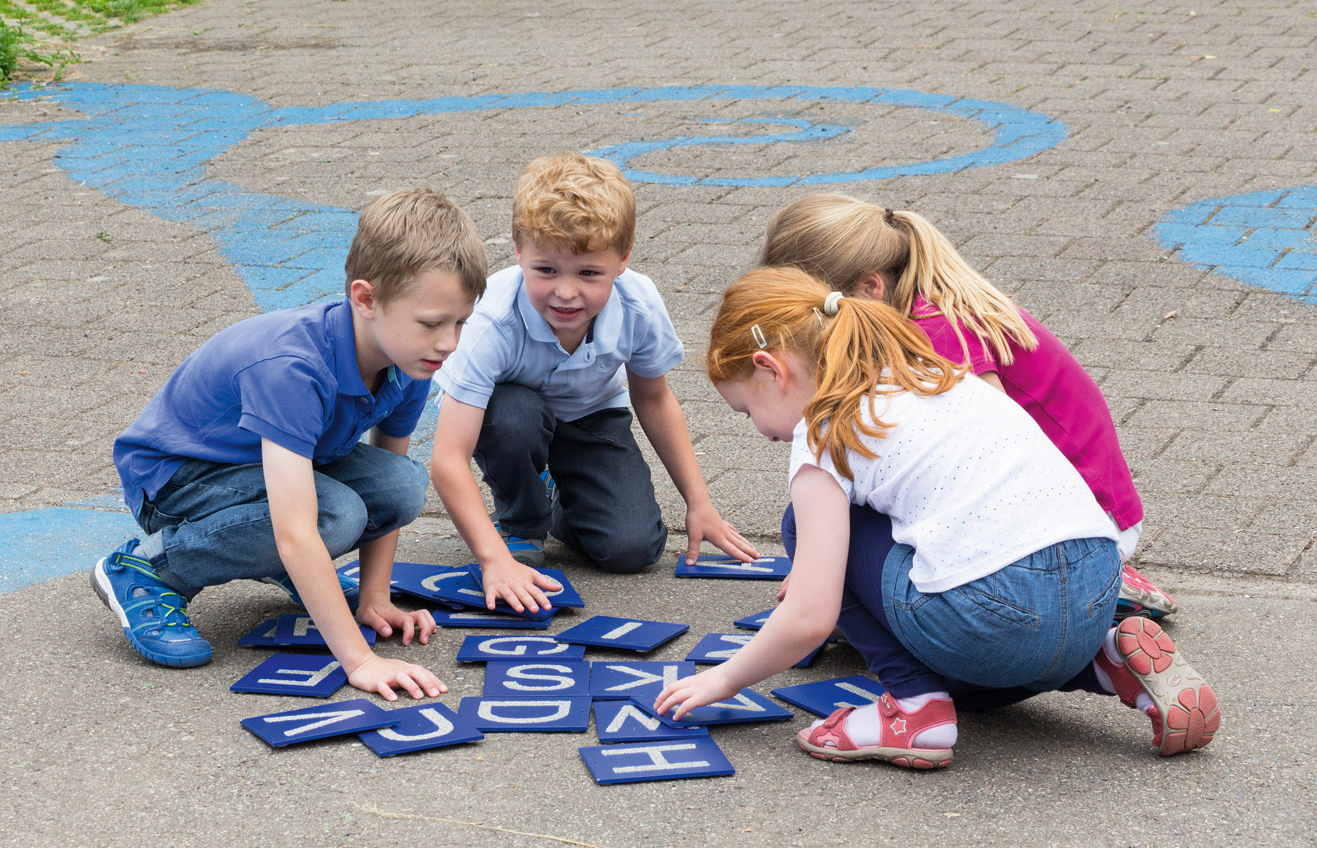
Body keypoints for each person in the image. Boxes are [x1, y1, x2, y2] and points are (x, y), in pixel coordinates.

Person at [654, 267, 1219, 768]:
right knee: (965, 676)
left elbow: (809, 620)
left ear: (771, 369)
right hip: (1098, 589)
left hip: (999, 617)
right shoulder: (935, 373)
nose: (760, 430)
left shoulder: (824, 431)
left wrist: (722, 678)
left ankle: (915, 710)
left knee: (803, 526)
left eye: (746, 409)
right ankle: (1106, 660)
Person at [92, 189, 487, 702]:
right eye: (433, 323)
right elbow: (298, 531)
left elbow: (388, 478)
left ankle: (289, 571)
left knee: (402, 486)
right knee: (334, 515)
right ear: (365, 299)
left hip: (263, 474)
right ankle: (148, 567)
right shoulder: (292, 368)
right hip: (176, 482)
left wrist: (373, 598)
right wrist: (360, 660)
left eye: (461, 322)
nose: (449, 343)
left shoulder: (410, 358)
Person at [760, 191, 1177, 620]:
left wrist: (829, 574)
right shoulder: (914, 309)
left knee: (839, 570)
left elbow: (992, 456)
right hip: (1073, 516)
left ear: (869, 288)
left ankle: (1096, 590)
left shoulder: (936, 333)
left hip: (1082, 524)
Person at [430, 152, 757, 614]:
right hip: (512, 420)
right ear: (518, 253)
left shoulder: (639, 304)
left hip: (593, 418)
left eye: (588, 273)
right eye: (546, 270)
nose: (566, 292)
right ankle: (522, 520)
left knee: (632, 551)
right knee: (514, 415)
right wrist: (493, 559)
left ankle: (562, 501)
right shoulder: (489, 321)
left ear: (622, 260)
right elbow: (447, 459)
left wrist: (700, 503)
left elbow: (655, 399)